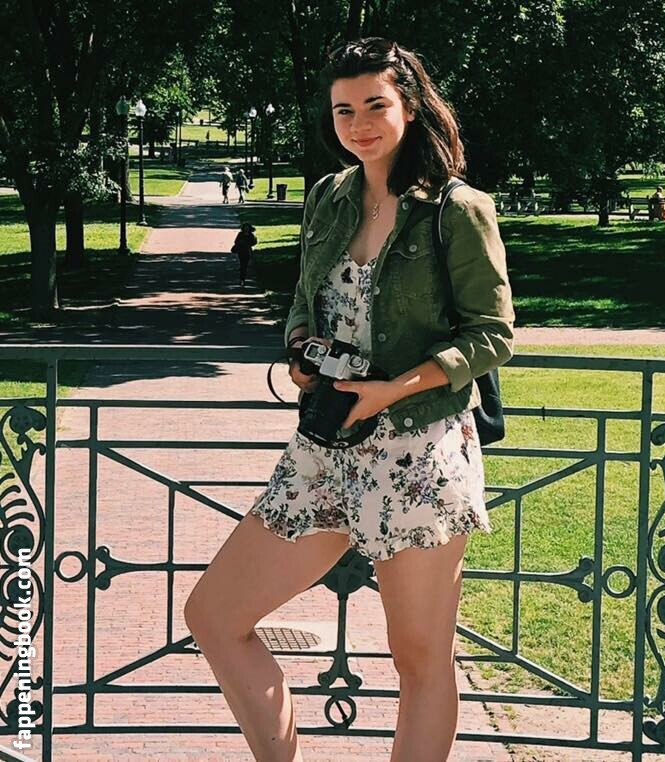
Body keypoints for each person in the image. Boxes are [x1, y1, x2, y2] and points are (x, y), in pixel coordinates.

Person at [184, 37, 515, 761]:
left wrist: (392, 389)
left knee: (419, 656)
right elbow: (304, 302)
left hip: (419, 452)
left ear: (409, 107)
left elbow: (492, 336)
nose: (359, 124)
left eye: (375, 105)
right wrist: (302, 352)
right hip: (326, 447)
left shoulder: (456, 209)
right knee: (213, 615)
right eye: (343, 110)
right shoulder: (328, 198)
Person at [231, 222, 257, 287]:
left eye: (247, 228)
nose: (246, 229)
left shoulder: (251, 235)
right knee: (242, 264)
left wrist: (251, 242)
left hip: (247, 251)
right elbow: (236, 241)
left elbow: (253, 243)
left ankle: (243, 277)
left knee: (245, 265)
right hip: (241, 251)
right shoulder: (240, 234)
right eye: (245, 227)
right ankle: (242, 278)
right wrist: (240, 242)